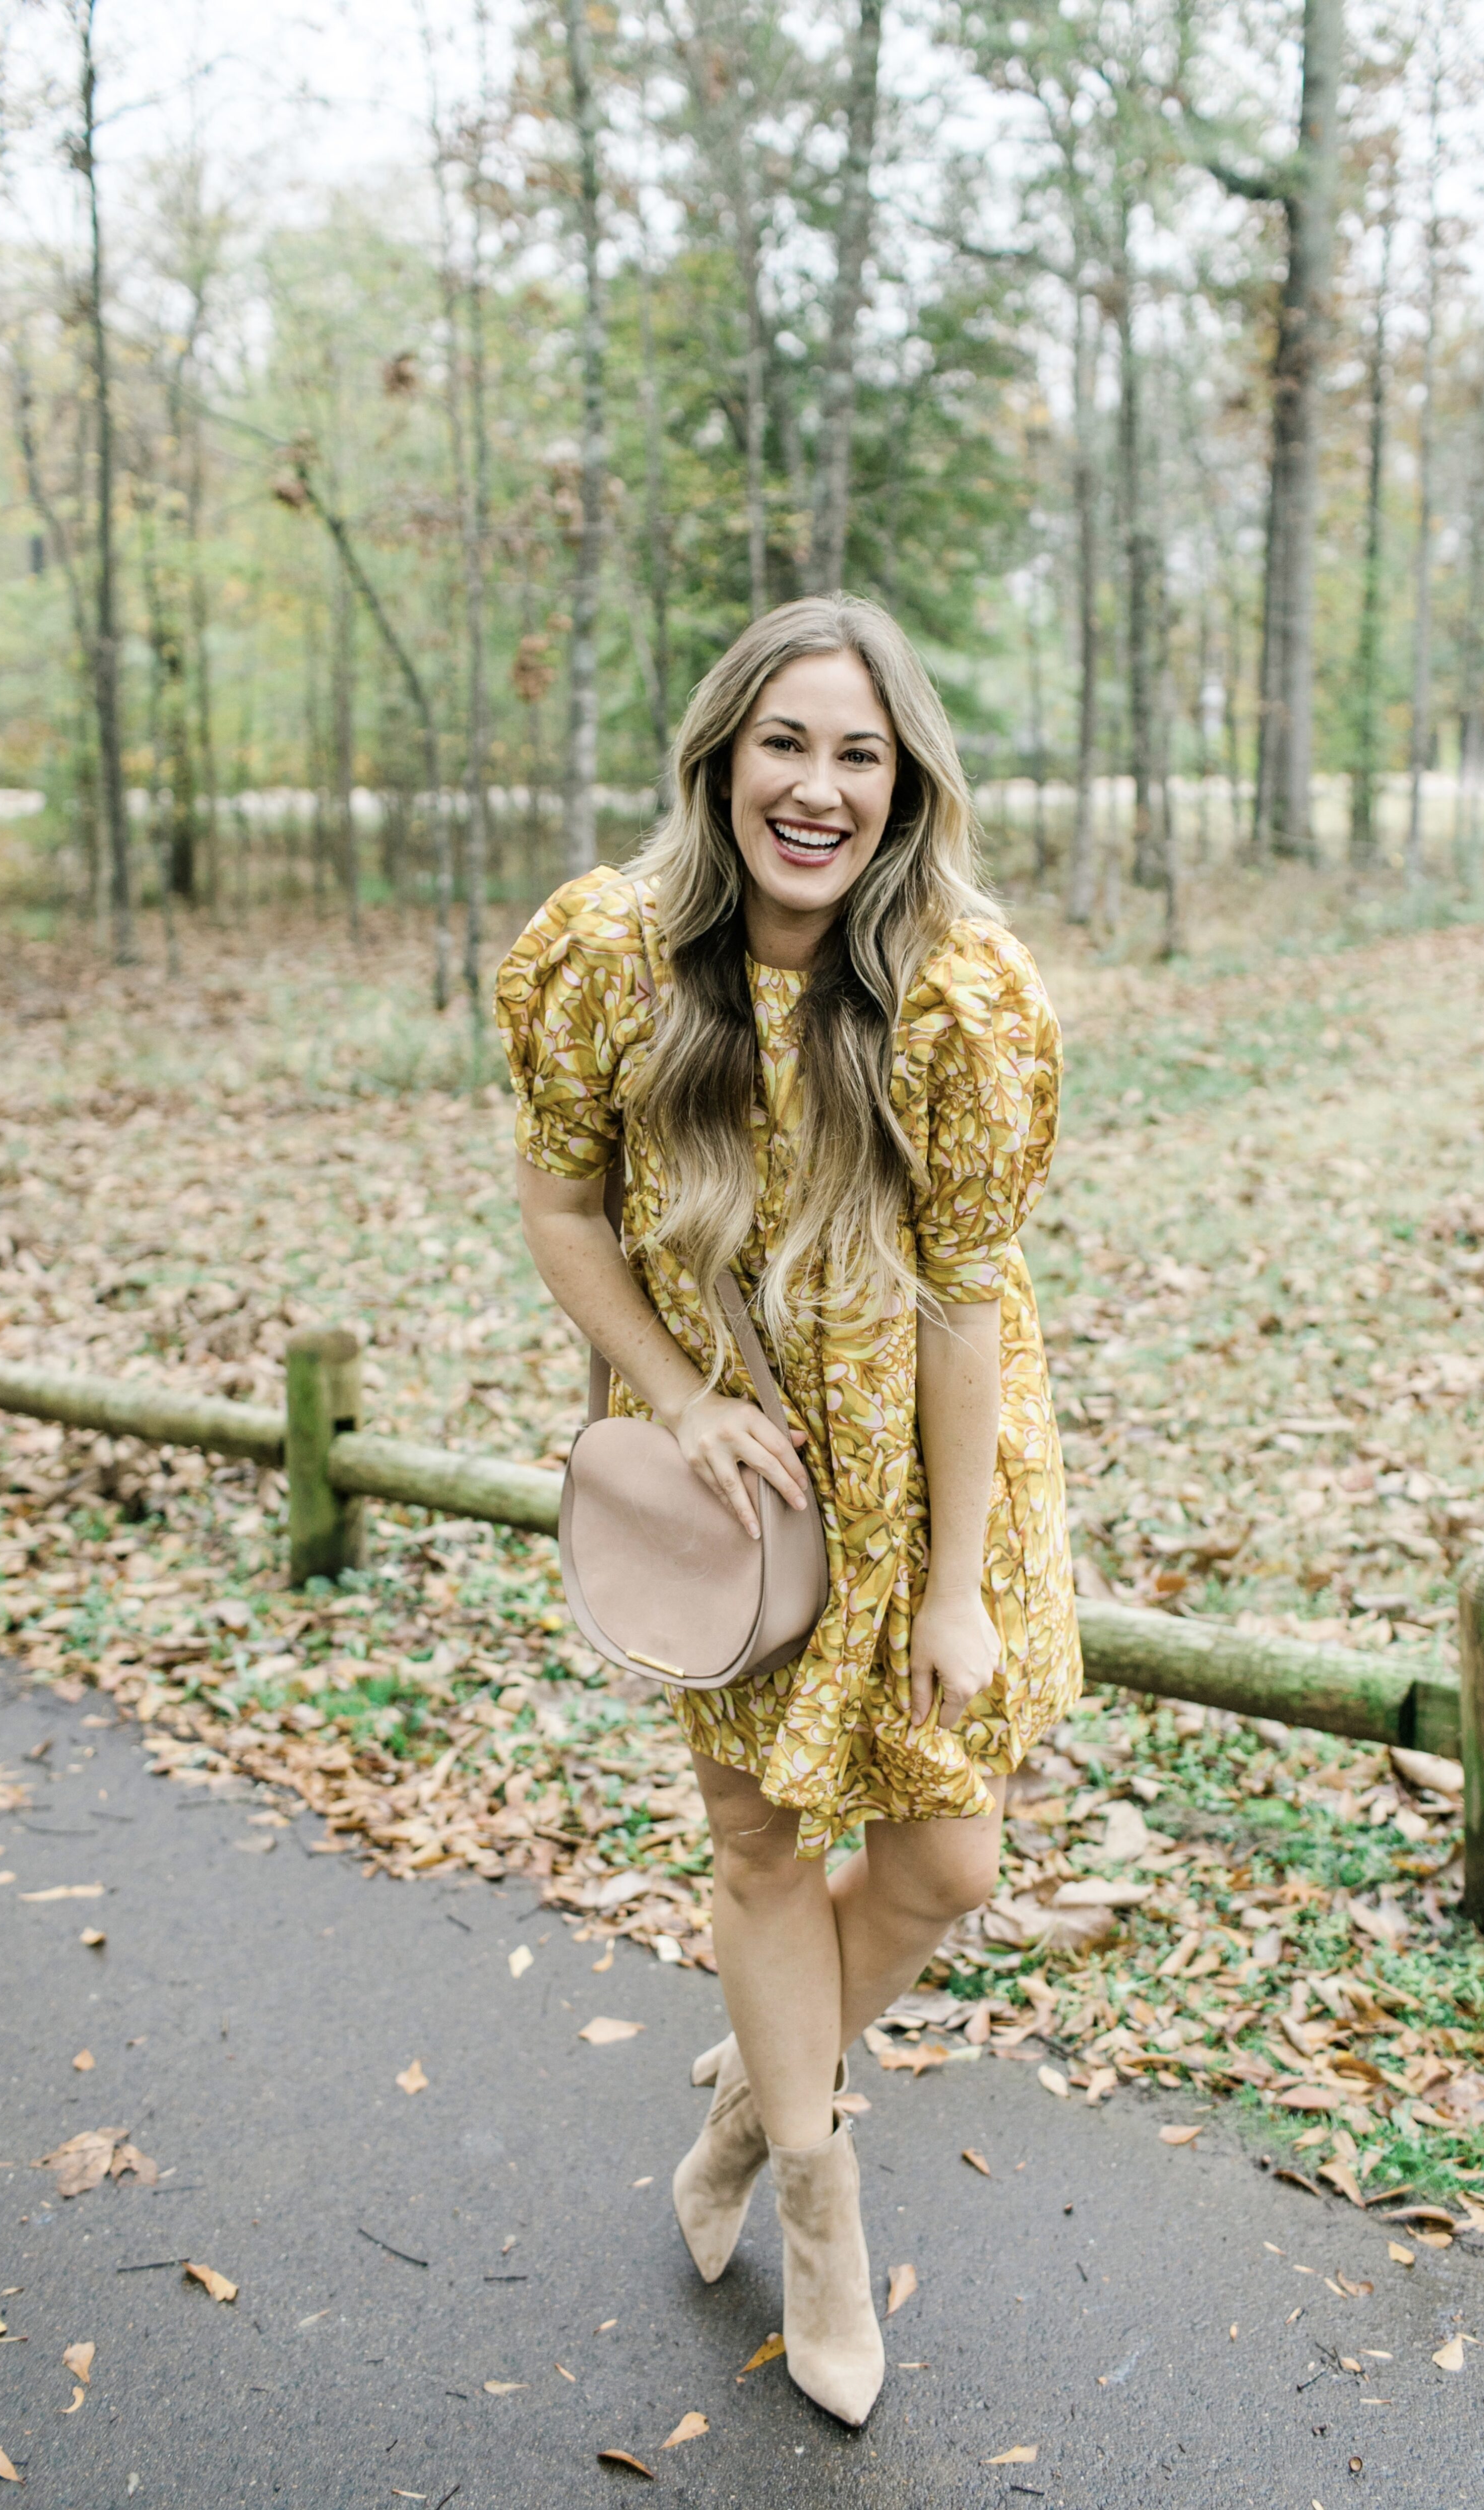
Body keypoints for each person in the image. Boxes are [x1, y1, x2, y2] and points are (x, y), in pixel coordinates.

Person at [496, 595, 1079, 2428]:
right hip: (734, 1488)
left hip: (933, 1477)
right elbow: (563, 1208)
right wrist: (676, 1402)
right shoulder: (606, 953)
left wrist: (960, 1589)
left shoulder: (959, 992)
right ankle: (812, 2212)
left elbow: (970, 1295)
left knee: (943, 1862)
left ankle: (761, 2095)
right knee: (758, 1849)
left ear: (903, 783)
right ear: (721, 756)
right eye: (786, 745)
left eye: (859, 755)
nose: (817, 790)